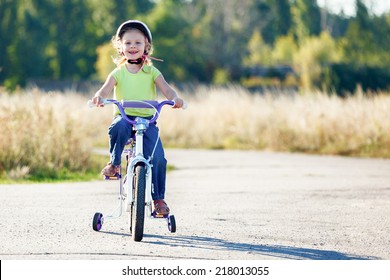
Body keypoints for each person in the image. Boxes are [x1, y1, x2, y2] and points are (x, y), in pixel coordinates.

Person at [91, 20, 184, 215]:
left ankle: (158, 199)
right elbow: (105, 90)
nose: (132, 46)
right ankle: (115, 164)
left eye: (138, 43)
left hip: (148, 121)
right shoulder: (118, 73)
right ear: (120, 47)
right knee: (118, 127)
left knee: (158, 158)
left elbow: (166, 89)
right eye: (128, 43)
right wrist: (100, 97)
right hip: (125, 116)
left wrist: (175, 99)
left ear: (146, 47)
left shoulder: (152, 72)